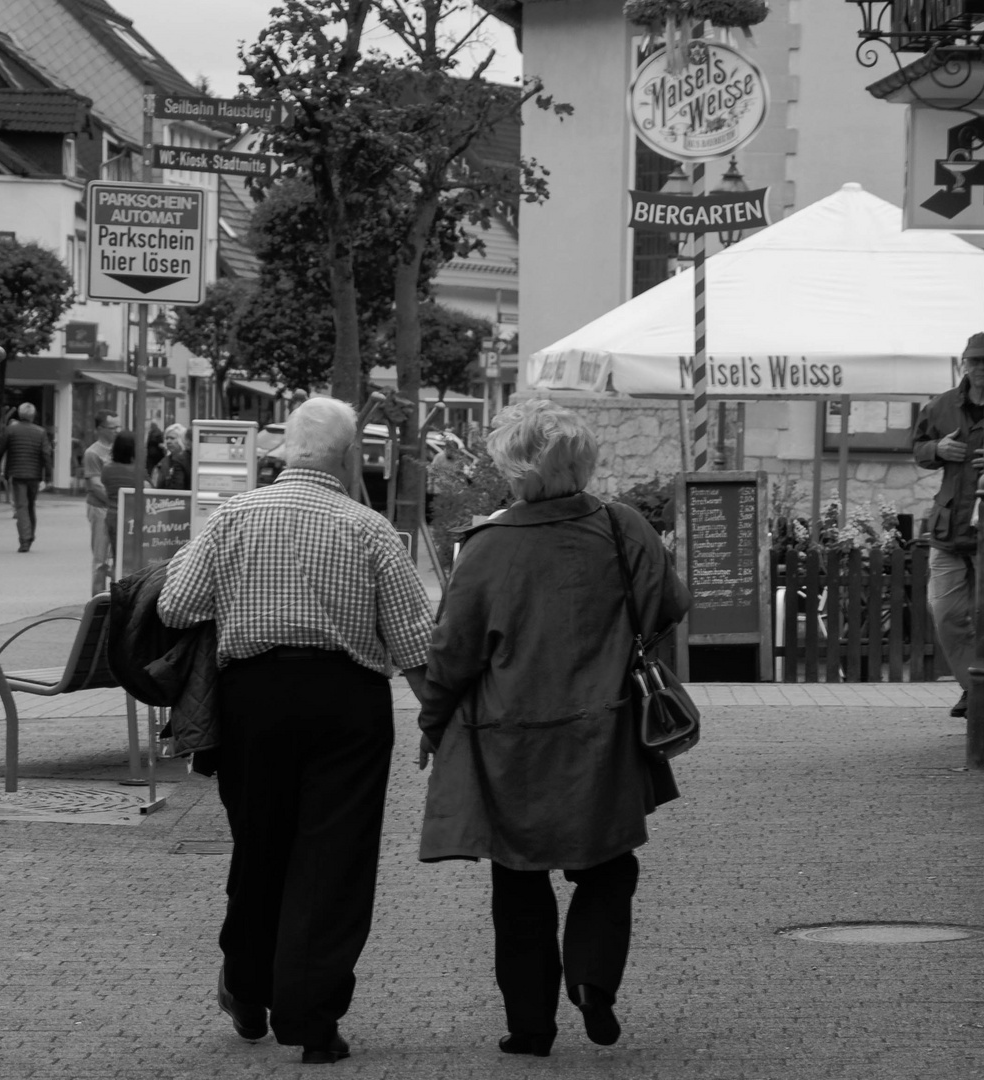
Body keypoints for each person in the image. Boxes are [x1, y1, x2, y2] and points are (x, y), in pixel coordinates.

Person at [159, 396, 435, 1065]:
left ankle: (249, 990)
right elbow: (415, 644)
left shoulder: (233, 517)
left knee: (260, 846)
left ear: (285, 449)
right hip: (348, 704)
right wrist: (437, 715)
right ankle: (312, 1019)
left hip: (252, 699)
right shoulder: (368, 530)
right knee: (333, 860)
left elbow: (176, 606)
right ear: (346, 456)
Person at [416, 399, 689, 1058]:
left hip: (511, 737)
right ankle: (594, 979)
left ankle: (530, 1026)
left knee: (518, 880)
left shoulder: (488, 547)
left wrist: (432, 720)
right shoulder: (622, 528)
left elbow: (453, 651)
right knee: (608, 866)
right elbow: (669, 604)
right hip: (606, 727)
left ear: (516, 471)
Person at [912, 331, 984, 718]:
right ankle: (975, 689)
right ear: (963, 363)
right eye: (973, 361)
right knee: (947, 613)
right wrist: (937, 449)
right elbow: (919, 448)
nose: (979, 368)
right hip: (949, 528)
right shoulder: (940, 407)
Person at [0, 402, 52, 553]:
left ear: (19, 414)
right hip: (34, 475)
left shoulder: (10, 430)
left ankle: (25, 539)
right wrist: (48, 475)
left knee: (21, 506)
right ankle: (30, 535)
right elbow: (46, 454)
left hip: (17, 473)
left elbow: (0, 450)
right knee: (30, 505)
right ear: (33, 415)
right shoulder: (41, 432)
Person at [82, 411, 119, 592]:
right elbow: (95, 485)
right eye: (113, 428)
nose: (116, 431)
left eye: (118, 427)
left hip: (116, 509)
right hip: (100, 509)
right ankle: (97, 602)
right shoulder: (93, 453)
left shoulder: (119, 450)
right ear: (100, 429)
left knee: (117, 558)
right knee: (100, 559)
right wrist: (117, 501)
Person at [100, 431, 137, 578]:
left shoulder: (107, 469)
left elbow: (105, 487)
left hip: (113, 515)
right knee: (130, 557)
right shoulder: (137, 471)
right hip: (132, 517)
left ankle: (114, 588)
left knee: (117, 556)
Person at [151, 422, 190, 490]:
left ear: (181, 440)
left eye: (172, 438)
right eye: (166, 438)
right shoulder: (162, 462)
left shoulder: (189, 460)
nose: (168, 441)